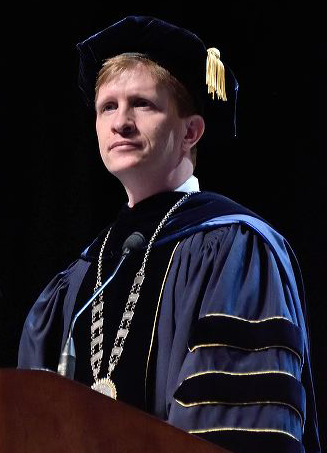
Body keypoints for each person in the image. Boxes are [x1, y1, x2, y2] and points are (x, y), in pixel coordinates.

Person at [18, 16, 320, 453]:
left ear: (190, 132)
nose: (120, 122)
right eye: (107, 107)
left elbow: (234, 421)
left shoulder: (234, 246)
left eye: (142, 104)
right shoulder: (81, 278)